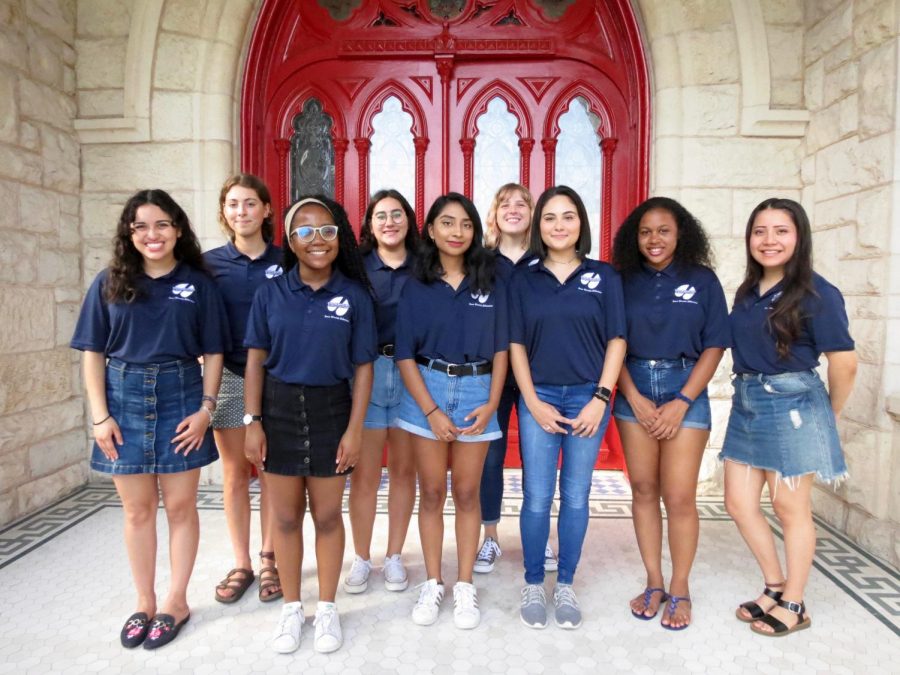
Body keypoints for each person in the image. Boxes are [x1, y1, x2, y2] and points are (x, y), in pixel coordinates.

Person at [71, 189, 228, 650]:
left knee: (180, 508)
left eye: (161, 224)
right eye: (140, 226)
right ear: (129, 234)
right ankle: (144, 601)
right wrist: (100, 417)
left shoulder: (198, 284)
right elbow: (92, 353)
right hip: (123, 400)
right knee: (138, 511)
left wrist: (206, 409)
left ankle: (176, 601)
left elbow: (215, 350)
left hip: (182, 395)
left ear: (177, 229)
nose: (152, 234)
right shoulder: (109, 282)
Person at [243, 196, 376, 654]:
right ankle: (292, 607)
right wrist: (252, 421)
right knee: (283, 517)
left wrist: (355, 430)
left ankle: (327, 608)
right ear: (290, 241)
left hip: (332, 412)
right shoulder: (270, 293)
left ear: (339, 238)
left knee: (325, 515)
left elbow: (363, 368)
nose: (316, 239)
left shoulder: (355, 296)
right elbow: (256, 360)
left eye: (326, 230)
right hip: (277, 411)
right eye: (304, 230)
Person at [722, 198, 856, 637]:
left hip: (794, 404)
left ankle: (795, 603)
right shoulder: (747, 291)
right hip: (747, 402)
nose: (769, 240)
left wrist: (827, 416)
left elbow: (844, 362)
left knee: (789, 507)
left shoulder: (818, 293)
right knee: (739, 504)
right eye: (760, 231)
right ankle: (774, 587)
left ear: (799, 237)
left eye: (781, 230)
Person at [510, 185, 627, 630]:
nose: (559, 225)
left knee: (576, 495)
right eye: (550, 218)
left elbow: (617, 339)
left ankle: (566, 583)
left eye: (568, 216)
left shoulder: (604, 277)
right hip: (538, 394)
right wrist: (532, 401)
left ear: (582, 223)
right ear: (539, 226)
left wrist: (601, 397)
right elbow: (515, 343)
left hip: (586, 397)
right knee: (538, 496)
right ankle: (534, 582)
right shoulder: (524, 277)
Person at [611, 197, 729, 630]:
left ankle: (680, 587)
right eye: (645, 232)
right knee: (643, 489)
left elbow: (715, 343)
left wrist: (682, 400)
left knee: (679, 496)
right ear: (634, 237)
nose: (654, 239)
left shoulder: (702, 280)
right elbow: (612, 342)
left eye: (663, 230)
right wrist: (634, 396)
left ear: (681, 233)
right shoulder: (620, 281)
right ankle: (654, 582)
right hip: (633, 387)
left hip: (686, 386)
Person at [395, 193, 508, 629]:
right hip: (428, 388)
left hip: (479, 389)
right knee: (432, 492)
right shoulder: (416, 284)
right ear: (431, 230)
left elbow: (501, 349)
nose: (457, 232)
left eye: (465, 224)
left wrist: (493, 403)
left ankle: (463, 585)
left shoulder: (490, 281)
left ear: (475, 230)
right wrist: (430, 411)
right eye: (447, 223)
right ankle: (433, 582)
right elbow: (404, 353)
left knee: (466, 493)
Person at [204, 174, 283, 605]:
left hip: (277, 377)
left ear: (266, 210)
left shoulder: (287, 261)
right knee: (235, 472)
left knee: (272, 470)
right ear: (224, 212)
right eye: (233, 204)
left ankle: (270, 557)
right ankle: (242, 563)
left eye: (251, 203)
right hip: (231, 376)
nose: (242, 212)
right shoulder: (207, 264)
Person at [474, 183, 558, 575]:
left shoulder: (545, 261)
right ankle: (489, 537)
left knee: (536, 460)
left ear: (532, 213)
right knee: (489, 459)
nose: (513, 209)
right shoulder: (482, 261)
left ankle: (537, 539)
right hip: (491, 374)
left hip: (538, 372)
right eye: (504, 203)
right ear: (494, 213)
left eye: (521, 203)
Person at [344, 189, 419, 594]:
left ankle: (393, 556)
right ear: (370, 225)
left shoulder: (425, 267)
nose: (389, 222)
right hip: (368, 375)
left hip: (411, 376)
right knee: (365, 475)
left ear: (408, 220)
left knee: (405, 472)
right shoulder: (356, 268)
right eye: (380, 216)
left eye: (396, 214)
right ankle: (361, 557)